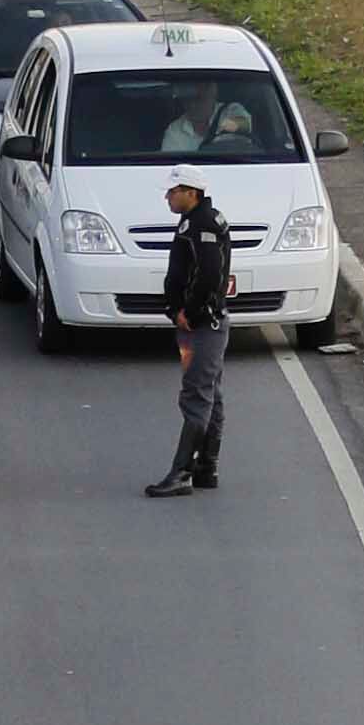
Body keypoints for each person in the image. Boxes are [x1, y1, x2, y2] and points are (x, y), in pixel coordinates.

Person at [150, 172, 237, 496]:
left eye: (172, 191)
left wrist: (192, 311)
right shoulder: (198, 219)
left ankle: (182, 473)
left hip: (203, 326)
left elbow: (210, 273)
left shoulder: (202, 225)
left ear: (191, 192)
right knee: (211, 394)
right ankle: (205, 468)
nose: (167, 198)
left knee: (196, 395)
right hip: (203, 324)